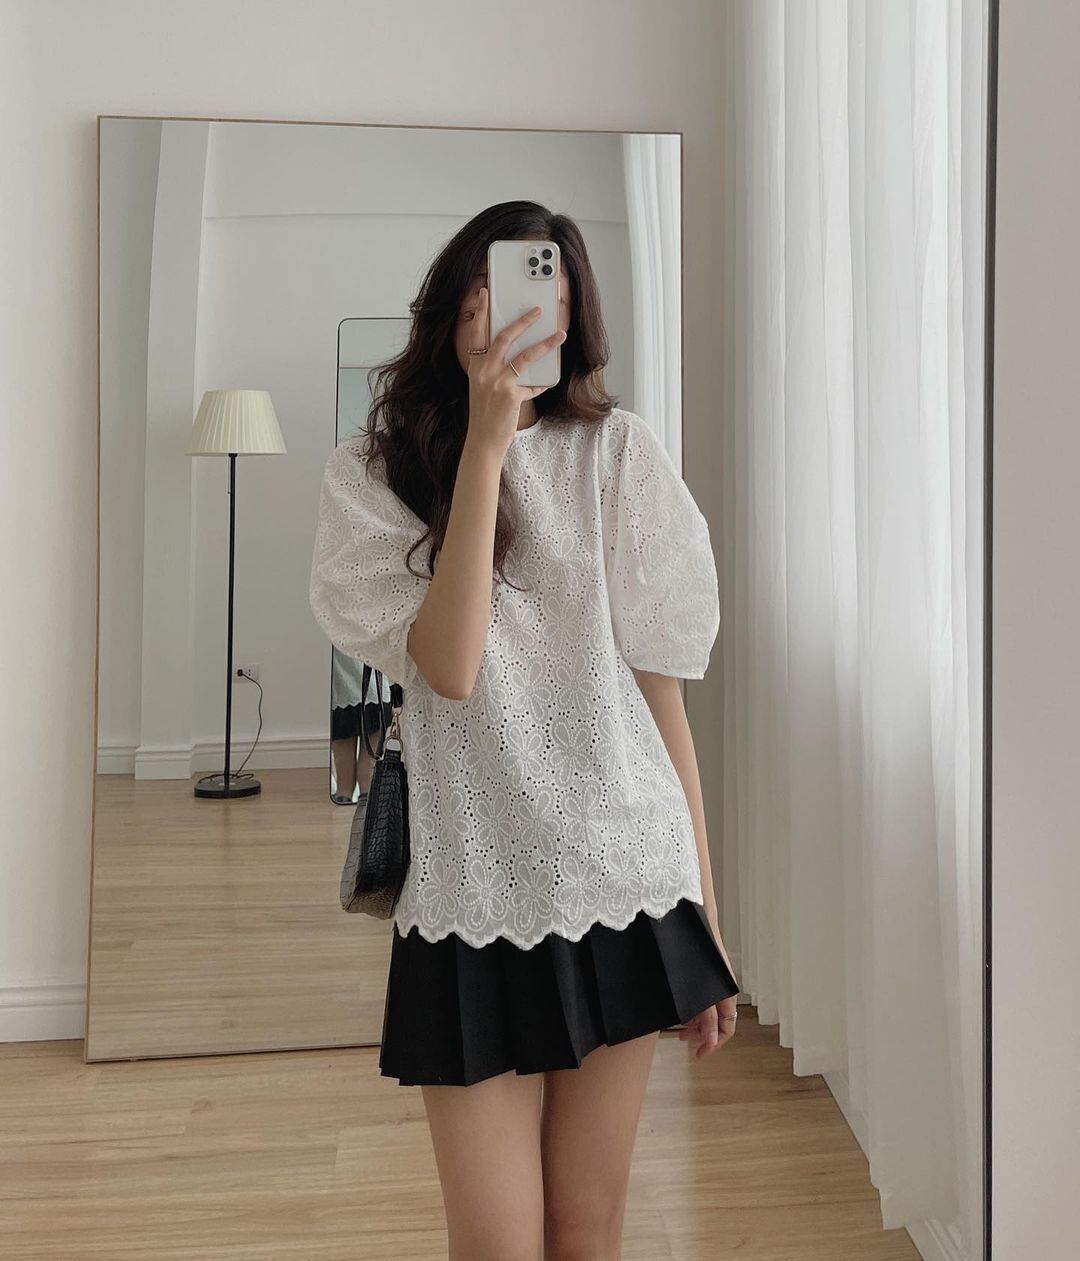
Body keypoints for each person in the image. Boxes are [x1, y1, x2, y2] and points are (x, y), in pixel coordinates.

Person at [308, 200, 740, 1261]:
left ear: (569, 316)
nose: (495, 316)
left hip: (624, 875)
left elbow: (661, 701)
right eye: (478, 291)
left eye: (528, 291)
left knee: (587, 1232)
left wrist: (705, 916)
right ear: (446, 311)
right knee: (497, 1242)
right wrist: (487, 445)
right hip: (471, 892)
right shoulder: (373, 474)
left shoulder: (618, 455)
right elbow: (451, 668)